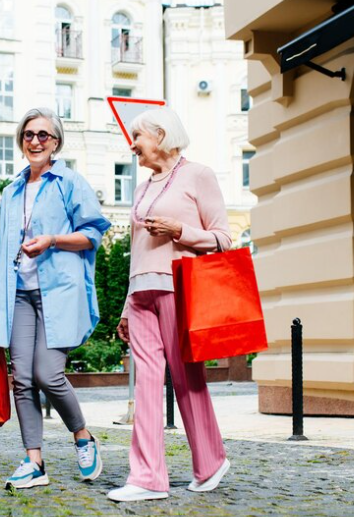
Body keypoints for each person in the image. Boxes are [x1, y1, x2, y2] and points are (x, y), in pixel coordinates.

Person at [106, 107, 232, 502]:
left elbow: (223, 239)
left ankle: (211, 462)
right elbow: (135, 252)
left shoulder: (198, 175)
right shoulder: (142, 189)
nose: (133, 144)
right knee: (145, 382)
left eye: (138, 136)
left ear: (160, 135)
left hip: (179, 288)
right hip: (141, 293)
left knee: (186, 378)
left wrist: (180, 231)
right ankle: (147, 477)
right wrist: (126, 306)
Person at [0, 107, 111, 489]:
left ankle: (83, 437)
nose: (35, 141)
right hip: (18, 293)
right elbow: (4, 249)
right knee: (21, 378)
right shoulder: (11, 191)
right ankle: (34, 462)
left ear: (55, 142)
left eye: (43, 135)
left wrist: (53, 240)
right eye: (28, 135)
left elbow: (93, 234)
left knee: (47, 374)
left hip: (58, 292)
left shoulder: (70, 182)